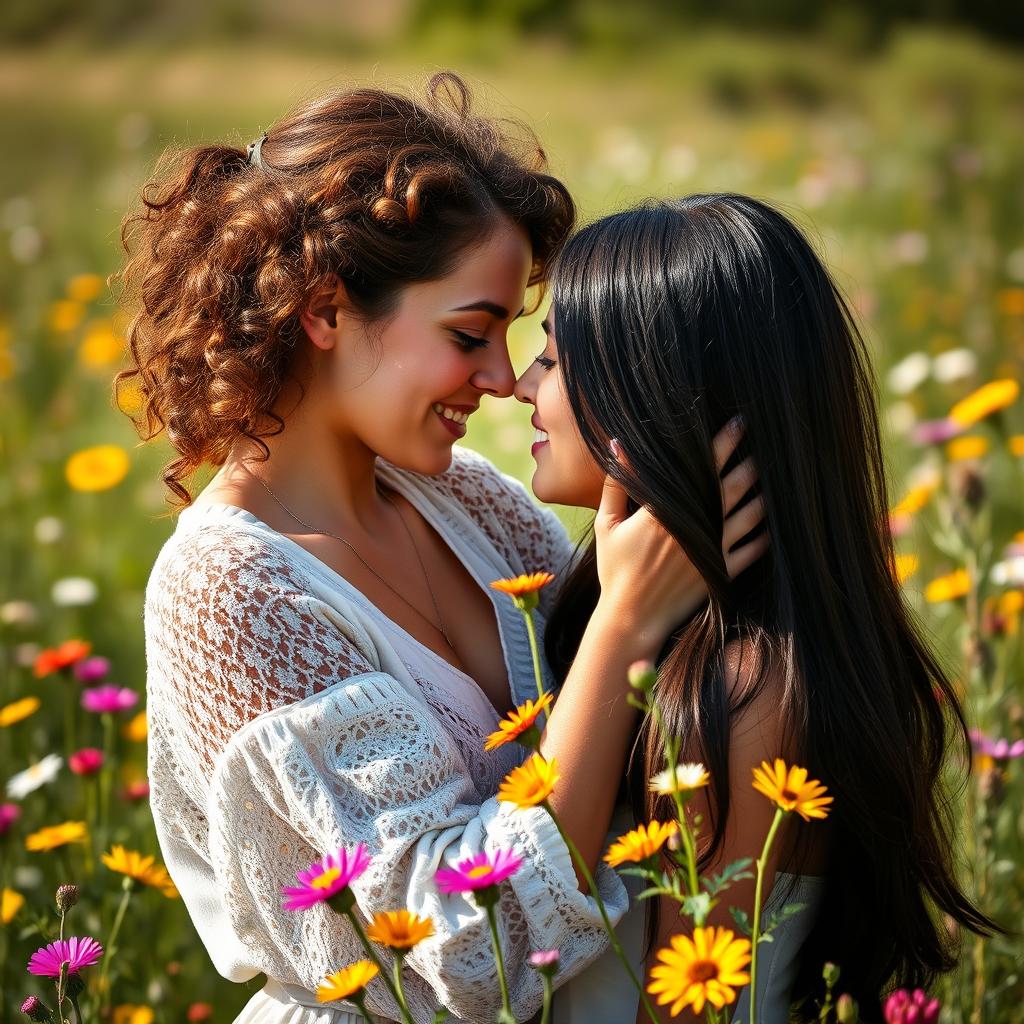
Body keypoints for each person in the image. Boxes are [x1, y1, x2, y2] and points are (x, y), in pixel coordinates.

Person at [116, 76, 763, 1024]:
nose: (503, 379)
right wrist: (622, 626)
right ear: (326, 310)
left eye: (510, 335)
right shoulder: (227, 589)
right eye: (471, 333)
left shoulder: (467, 502)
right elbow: (468, 949)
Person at [512, 195, 997, 1022]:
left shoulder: (740, 696)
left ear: (656, 396)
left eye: (554, 361)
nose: (520, 385)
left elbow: (686, 1007)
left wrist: (623, 620)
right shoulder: (697, 646)